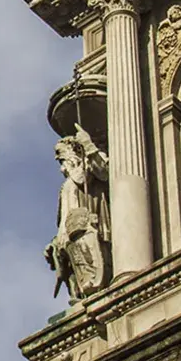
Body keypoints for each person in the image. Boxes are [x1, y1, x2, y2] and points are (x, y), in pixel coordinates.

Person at [44, 123, 111, 302]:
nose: (62, 168)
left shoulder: (90, 164)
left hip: (92, 230)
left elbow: (105, 172)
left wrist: (88, 145)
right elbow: (64, 218)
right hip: (70, 241)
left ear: (74, 153)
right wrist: (55, 242)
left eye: (62, 159)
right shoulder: (66, 185)